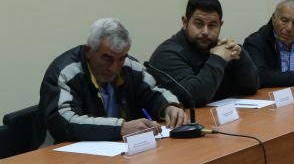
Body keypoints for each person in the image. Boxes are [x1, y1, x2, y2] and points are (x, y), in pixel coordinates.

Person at [40, 18, 188, 143]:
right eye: (107, 58)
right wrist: (120, 128)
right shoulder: (66, 73)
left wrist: (169, 107)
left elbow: (154, 91)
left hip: (120, 151)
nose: (114, 68)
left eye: (121, 58)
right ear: (88, 51)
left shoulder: (128, 67)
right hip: (68, 155)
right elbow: (63, 122)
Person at [149, 0, 260, 107]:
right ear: (185, 22)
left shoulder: (220, 49)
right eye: (199, 24)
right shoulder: (167, 54)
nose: (205, 32)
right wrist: (217, 59)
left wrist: (240, 56)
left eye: (212, 25)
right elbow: (193, 98)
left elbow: (251, 87)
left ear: (220, 25)